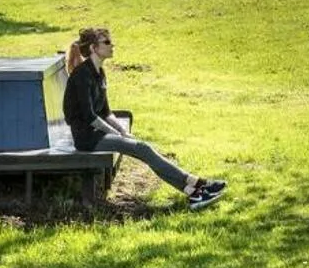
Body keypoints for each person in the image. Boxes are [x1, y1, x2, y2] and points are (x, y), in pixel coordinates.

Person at [62, 26, 226, 208]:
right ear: (93, 48)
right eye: (107, 42)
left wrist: (123, 131)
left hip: (99, 134)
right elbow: (90, 116)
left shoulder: (99, 72)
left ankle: (194, 191)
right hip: (87, 138)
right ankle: (197, 185)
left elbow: (106, 112)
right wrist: (118, 135)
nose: (112, 45)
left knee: (144, 149)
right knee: (143, 148)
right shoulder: (82, 75)